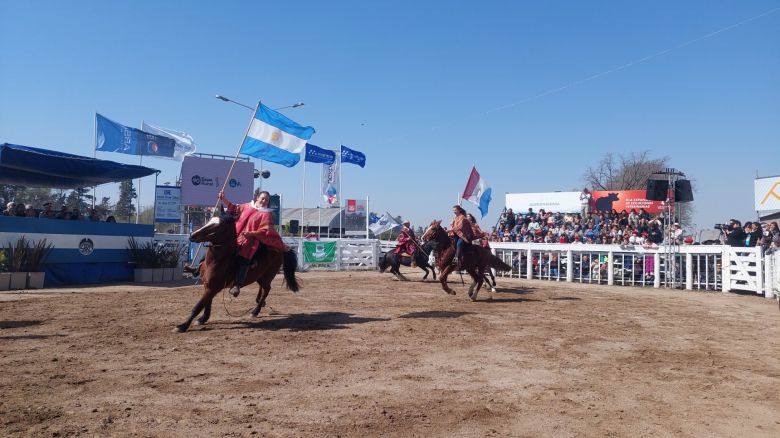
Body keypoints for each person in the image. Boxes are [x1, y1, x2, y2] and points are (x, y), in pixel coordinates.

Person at [219, 189, 288, 297]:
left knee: (244, 258)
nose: (264, 201)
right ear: (257, 198)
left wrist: (251, 233)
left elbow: (265, 231)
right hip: (236, 236)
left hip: (251, 241)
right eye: (263, 198)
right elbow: (233, 208)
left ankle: (237, 284)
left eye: (267, 199)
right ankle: (200, 266)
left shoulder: (267, 214)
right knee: (218, 245)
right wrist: (223, 199)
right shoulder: (246, 206)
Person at [448, 205, 473, 270]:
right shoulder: (454, 218)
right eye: (453, 210)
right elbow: (452, 226)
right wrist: (451, 225)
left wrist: (450, 229)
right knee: (451, 243)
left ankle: (458, 259)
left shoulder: (463, 217)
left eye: (455, 210)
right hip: (456, 234)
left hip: (464, 235)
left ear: (459, 210)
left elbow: (459, 227)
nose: (454, 212)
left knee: (459, 244)